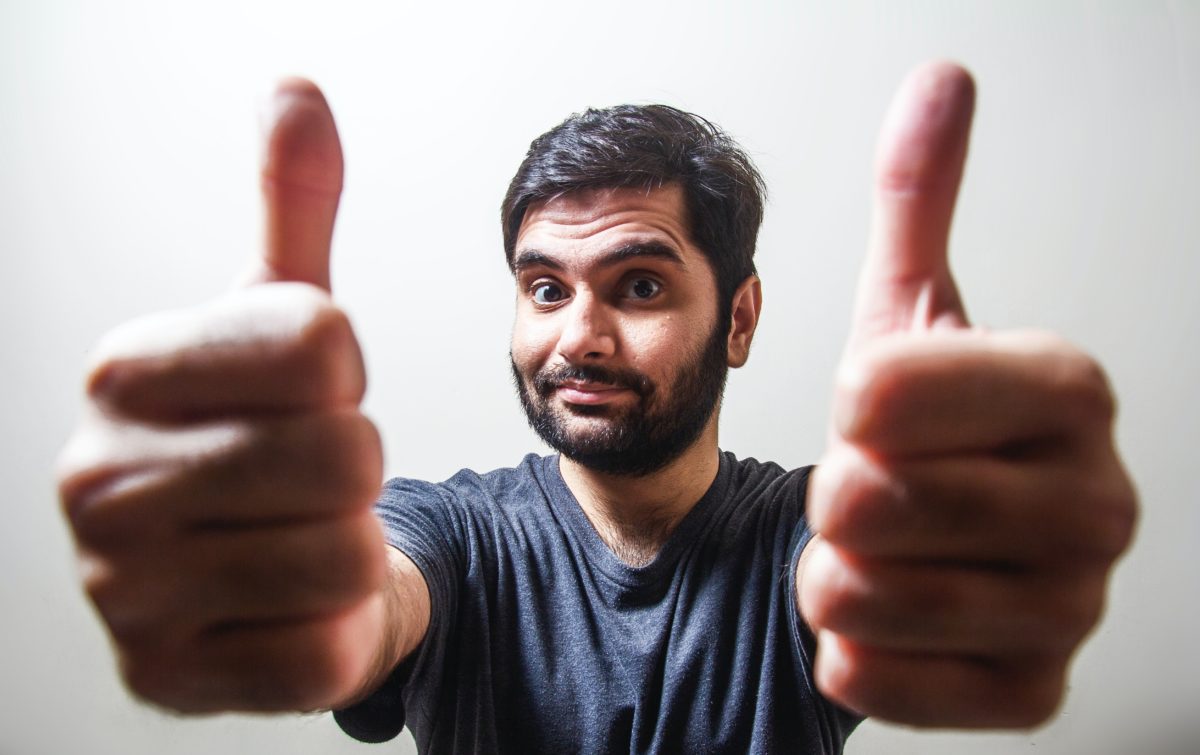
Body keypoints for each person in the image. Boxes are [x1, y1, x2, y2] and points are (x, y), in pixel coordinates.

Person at [56, 61, 1137, 754]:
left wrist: (963, 537)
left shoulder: (808, 533)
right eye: (544, 287)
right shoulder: (451, 532)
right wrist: (296, 597)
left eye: (641, 284)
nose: (578, 335)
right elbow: (376, 595)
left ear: (740, 318)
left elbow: (853, 568)